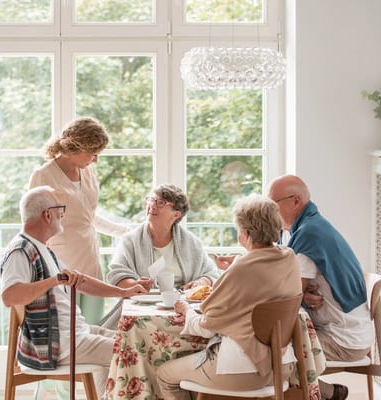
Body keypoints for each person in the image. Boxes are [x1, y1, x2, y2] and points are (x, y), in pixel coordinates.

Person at [0, 186, 147, 398]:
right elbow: (10, 296)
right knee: (136, 354)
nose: (63, 214)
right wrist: (52, 281)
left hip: (76, 335)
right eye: (61, 209)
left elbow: (82, 282)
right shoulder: (21, 250)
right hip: (61, 346)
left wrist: (124, 292)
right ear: (48, 214)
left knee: (136, 342)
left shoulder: (43, 248)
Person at [156, 194, 302, 400]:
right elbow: (262, 268)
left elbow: (206, 327)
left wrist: (186, 309)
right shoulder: (289, 258)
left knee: (164, 374)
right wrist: (237, 262)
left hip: (240, 371)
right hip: (282, 366)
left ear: (245, 233)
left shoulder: (241, 269)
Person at [267, 174, 374, 400]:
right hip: (349, 331)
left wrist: (299, 294)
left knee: (271, 351)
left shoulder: (309, 234)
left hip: (343, 339)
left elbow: (285, 296)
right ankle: (327, 392)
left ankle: (323, 393)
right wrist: (303, 294)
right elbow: (294, 286)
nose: (270, 210)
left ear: (295, 201)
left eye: (273, 204)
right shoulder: (310, 227)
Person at [29, 117, 128, 325]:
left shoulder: (89, 171)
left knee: (93, 326)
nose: (95, 160)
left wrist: (124, 232)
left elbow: (88, 217)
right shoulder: (43, 175)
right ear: (77, 147)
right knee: (67, 331)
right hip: (61, 263)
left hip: (90, 258)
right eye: (93, 154)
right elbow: (34, 224)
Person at [103, 184, 219, 327]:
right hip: (143, 308)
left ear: (176, 214)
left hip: (183, 308)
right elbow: (117, 274)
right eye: (151, 200)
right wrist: (135, 285)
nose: (152, 205)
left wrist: (202, 282)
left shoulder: (191, 242)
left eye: (160, 202)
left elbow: (210, 272)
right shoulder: (130, 240)